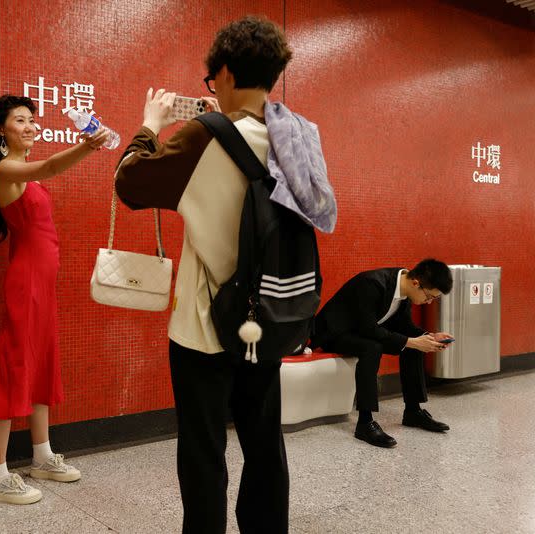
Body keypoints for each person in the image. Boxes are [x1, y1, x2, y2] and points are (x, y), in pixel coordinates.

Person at [114, 16, 314, 534]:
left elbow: (130, 184)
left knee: (204, 452)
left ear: (223, 73)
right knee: (265, 445)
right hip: (270, 312)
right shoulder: (297, 134)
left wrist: (151, 125)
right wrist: (218, 123)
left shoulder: (204, 137)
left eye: (213, 80)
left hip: (206, 326)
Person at [0, 95, 108, 504]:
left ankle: (41, 456)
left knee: (41, 363)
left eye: (33, 119)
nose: (31, 125)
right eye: (21, 120)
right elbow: (50, 165)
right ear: (1, 129)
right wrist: (87, 146)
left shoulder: (23, 175)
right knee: (14, 363)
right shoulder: (5, 169)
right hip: (26, 283)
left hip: (42, 284)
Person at [309, 259, 454, 448]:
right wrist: (411, 341)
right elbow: (367, 328)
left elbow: (404, 326)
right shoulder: (372, 284)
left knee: (416, 343)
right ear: (416, 283)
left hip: (361, 331)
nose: (429, 302)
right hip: (335, 332)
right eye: (429, 297)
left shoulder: (404, 291)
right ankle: (365, 423)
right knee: (373, 347)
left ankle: (413, 411)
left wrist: (428, 337)